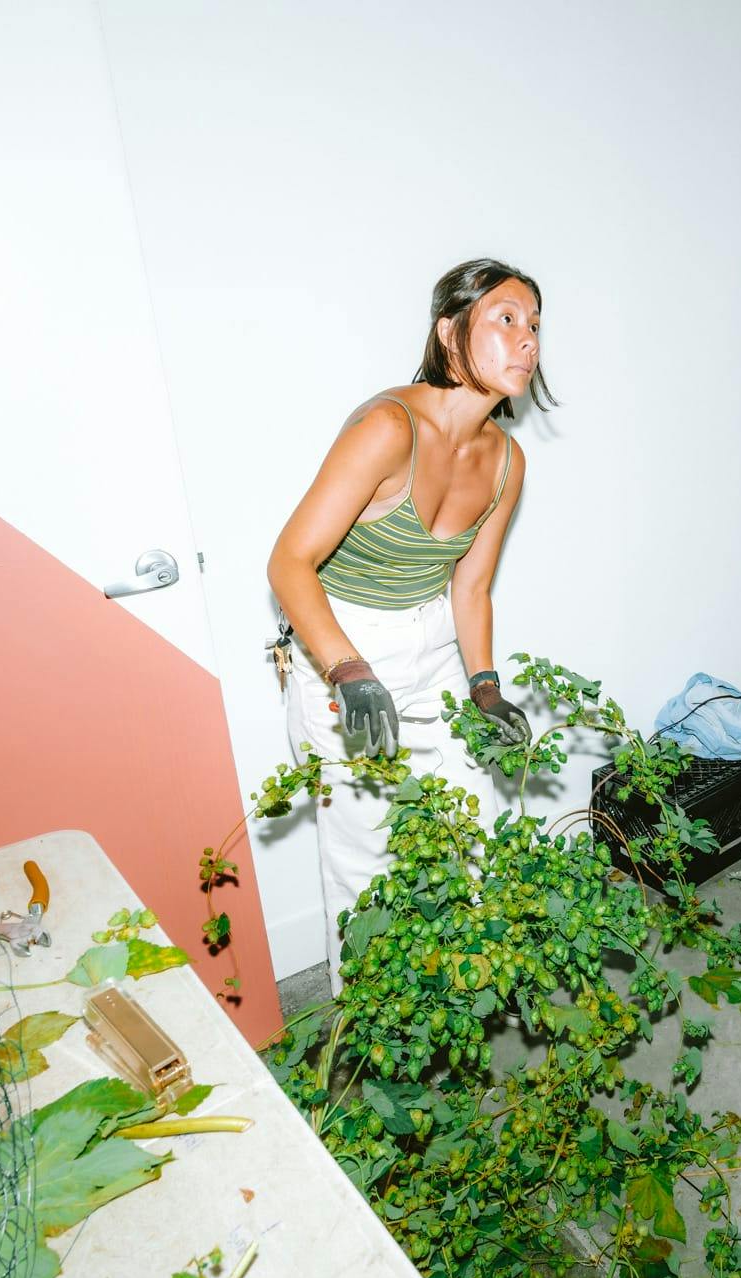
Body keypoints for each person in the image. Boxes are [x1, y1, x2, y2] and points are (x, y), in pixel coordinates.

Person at [268, 258, 552, 991]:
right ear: (450, 332)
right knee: (365, 858)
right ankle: (368, 1030)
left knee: (471, 829)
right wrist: (348, 671)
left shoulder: (506, 461)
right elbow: (290, 562)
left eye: (536, 328)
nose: (527, 342)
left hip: (431, 644)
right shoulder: (389, 430)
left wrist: (486, 688)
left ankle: (454, 1000)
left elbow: (473, 585)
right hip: (344, 645)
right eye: (507, 319)